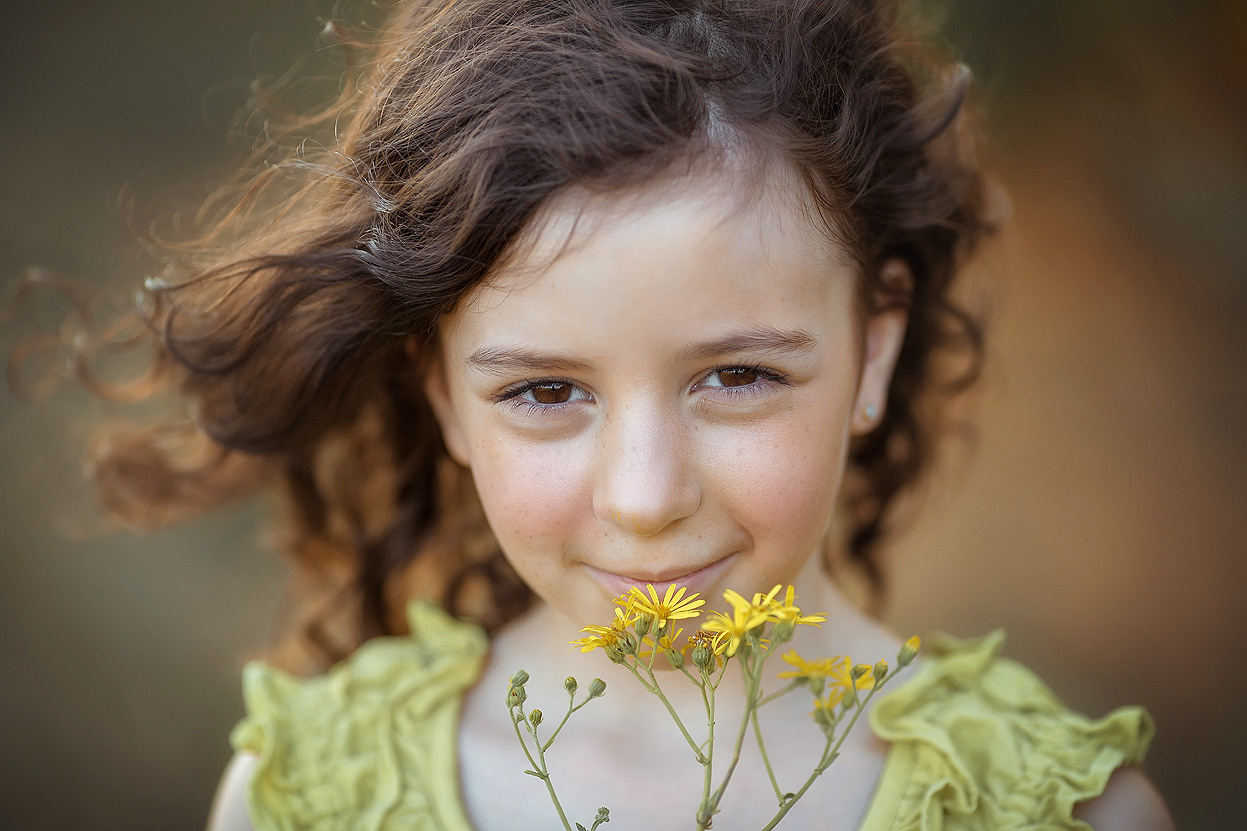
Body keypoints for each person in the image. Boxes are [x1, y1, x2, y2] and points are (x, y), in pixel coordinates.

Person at [71, 0, 1170, 828]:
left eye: (736, 377)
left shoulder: (1071, 815)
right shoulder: (299, 799)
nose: (645, 499)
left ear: (871, 347)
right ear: (443, 394)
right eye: (545, 392)